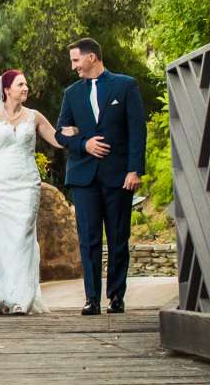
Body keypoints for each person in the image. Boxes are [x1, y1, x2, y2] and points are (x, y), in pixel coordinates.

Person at [53, 37, 147, 315]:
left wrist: (134, 170)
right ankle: (91, 299)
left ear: (91, 57)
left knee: (118, 237)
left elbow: (137, 131)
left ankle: (116, 296)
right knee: (88, 239)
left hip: (119, 176)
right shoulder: (71, 94)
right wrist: (84, 144)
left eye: (76, 60)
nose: (73, 67)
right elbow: (61, 133)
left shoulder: (125, 86)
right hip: (83, 177)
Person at [0, 68, 63, 314]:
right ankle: (4, 293)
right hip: (1, 185)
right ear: (7, 90)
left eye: (26, 84)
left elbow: (56, 138)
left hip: (27, 185)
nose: (25, 88)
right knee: (2, 241)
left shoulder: (35, 116)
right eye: (21, 84)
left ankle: (22, 297)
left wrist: (75, 135)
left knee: (23, 238)